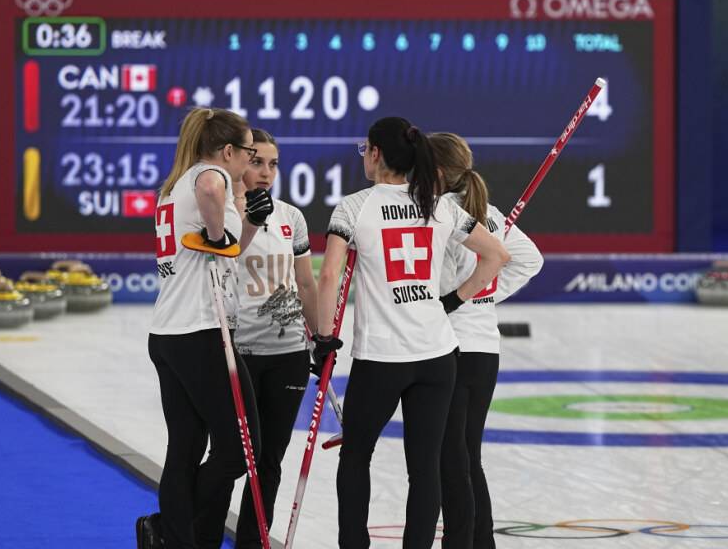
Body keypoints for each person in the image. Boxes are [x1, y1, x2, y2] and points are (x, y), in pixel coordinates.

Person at [314, 117, 510, 549]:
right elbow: (497, 255)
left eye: (364, 148)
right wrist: (454, 301)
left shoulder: (353, 207)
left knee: (356, 456)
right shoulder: (441, 206)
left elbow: (329, 277)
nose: (362, 154)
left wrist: (323, 338)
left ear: (377, 154)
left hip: (381, 357)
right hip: (438, 355)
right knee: (424, 469)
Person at [139, 107, 274, 549]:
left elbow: (226, 252)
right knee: (242, 447)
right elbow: (212, 190)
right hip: (199, 333)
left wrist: (231, 229)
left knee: (187, 445)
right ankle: (169, 524)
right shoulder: (207, 176)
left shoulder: (173, 186)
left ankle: (173, 536)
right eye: (249, 155)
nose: (250, 165)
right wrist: (217, 231)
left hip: (168, 333)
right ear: (229, 150)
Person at [429, 133, 543, 549]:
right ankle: (480, 542)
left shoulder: (440, 211)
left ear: (438, 173)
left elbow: (527, 260)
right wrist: (486, 294)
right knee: (464, 455)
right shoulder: (490, 214)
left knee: (452, 459)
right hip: (483, 351)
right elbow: (529, 260)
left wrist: (465, 296)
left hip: (453, 346)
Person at [231, 128, 319, 548]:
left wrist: (320, 337)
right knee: (232, 457)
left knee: (270, 463)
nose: (266, 172)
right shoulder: (225, 212)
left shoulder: (292, 217)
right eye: (256, 162)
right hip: (240, 351)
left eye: (273, 164)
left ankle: (252, 542)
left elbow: (306, 281)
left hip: (288, 353)